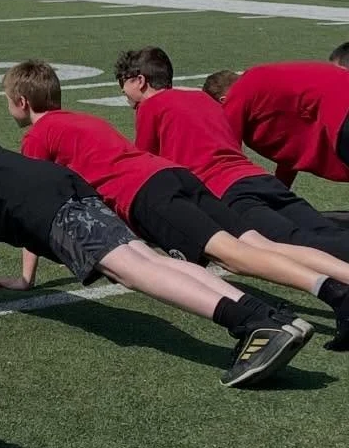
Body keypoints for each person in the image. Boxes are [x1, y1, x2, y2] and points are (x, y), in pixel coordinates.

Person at [0, 92, 312, 389]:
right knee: (146, 260)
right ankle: (266, 315)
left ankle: (252, 323)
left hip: (51, 209)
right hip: (68, 188)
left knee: (133, 271)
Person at [6, 60, 349, 347]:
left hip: (152, 191)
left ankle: (335, 295)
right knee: (263, 245)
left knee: (235, 257)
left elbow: (37, 207)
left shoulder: (39, 136)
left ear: (21, 101)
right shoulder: (84, 118)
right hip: (181, 176)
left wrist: (26, 276)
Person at [116, 46, 349, 276]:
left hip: (224, 190)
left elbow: (146, 169)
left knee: (291, 243)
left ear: (140, 81)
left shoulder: (149, 106)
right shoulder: (202, 98)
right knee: (324, 230)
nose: (123, 91)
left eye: (123, 83)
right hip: (259, 178)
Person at [205, 58, 349, 190]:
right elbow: (290, 151)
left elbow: (225, 150)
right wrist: (280, 191)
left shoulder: (239, 93)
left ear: (223, 100)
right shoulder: (263, 86)